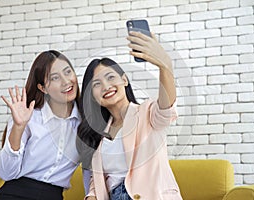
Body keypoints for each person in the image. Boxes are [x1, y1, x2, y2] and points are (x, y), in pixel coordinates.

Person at [76, 31, 183, 200]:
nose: (106, 86)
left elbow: (166, 110)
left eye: (110, 77)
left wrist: (165, 66)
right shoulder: (99, 135)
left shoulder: (147, 112)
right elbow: (98, 182)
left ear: (124, 80)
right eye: (97, 84)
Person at [0, 50, 90, 200]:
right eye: (55, 77)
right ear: (42, 88)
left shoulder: (85, 122)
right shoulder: (28, 116)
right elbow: (5, 173)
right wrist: (18, 128)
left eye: (68, 72)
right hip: (14, 194)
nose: (66, 81)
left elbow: (90, 170)